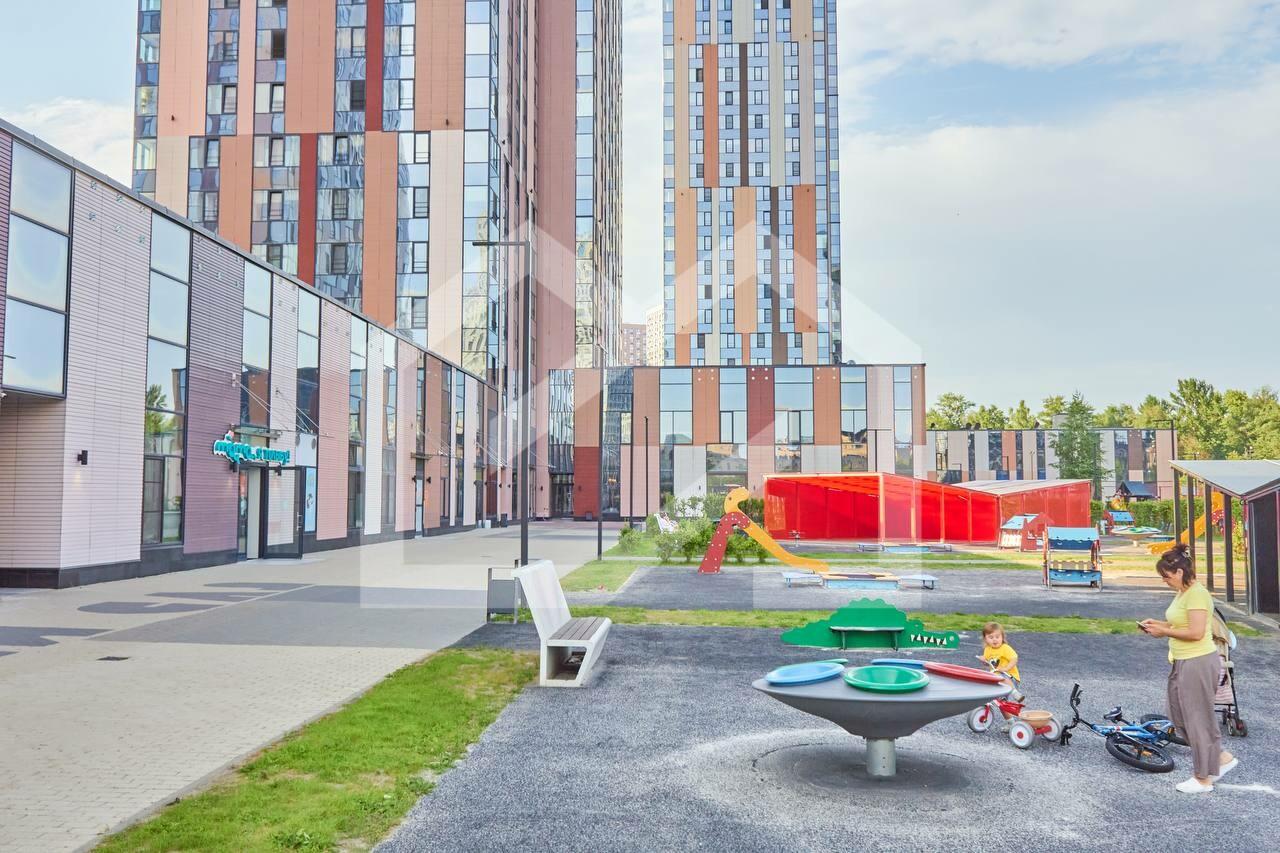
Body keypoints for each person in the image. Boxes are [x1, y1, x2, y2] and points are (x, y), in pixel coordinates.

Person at [1139, 544, 1238, 793]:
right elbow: (1180, 622)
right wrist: (1158, 624)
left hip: (1198, 660)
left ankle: (1203, 778)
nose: (1165, 581)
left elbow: (1195, 633)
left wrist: (1164, 631)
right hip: (1182, 660)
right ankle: (1221, 758)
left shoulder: (1196, 594)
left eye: (1167, 576)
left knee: (1197, 720)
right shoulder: (1183, 593)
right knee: (1177, 714)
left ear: (1180, 572)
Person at [981, 622, 1024, 705]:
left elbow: (1014, 658)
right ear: (985, 639)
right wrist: (984, 661)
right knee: (1001, 703)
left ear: (1002, 637)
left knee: (1000, 677)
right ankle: (1009, 718)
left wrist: (1006, 668)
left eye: (997, 637)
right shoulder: (987, 649)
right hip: (997, 678)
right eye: (991, 637)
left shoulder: (1005, 648)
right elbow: (989, 664)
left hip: (1010, 678)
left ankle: (1015, 693)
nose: (994, 639)